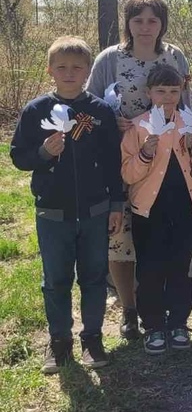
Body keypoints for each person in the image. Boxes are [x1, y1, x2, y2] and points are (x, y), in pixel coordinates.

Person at [87, 0, 192, 340]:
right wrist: (112, 123)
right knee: (122, 239)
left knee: (159, 238)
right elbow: (90, 105)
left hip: (167, 167)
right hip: (124, 158)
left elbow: (189, 104)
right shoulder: (110, 59)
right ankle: (130, 309)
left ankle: (165, 308)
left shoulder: (174, 56)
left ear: (163, 23)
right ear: (128, 23)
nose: (146, 27)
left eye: (153, 20)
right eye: (138, 20)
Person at [11, 37, 124, 373]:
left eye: (77, 67)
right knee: (56, 280)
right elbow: (18, 156)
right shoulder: (36, 111)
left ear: (88, 71)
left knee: (93, 277)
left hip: (95, 211)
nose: (69, 73)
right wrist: (45, 153)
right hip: (53, 211)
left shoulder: (100, 111)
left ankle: (92, 338)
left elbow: (112, 162)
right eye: (62, 67)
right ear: (50, 70)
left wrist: (116, 203)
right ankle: (59, 341)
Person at [121, 64, 192, 355]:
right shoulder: (138, 126)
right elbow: (127, 175)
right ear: (149, 93)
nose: (168, 97)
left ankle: (179, 322)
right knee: (150, 268)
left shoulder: (189, 123)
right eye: (161, 91)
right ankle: (154, 325)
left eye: (174, 91)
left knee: (179, 266)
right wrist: (146, 152)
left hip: (185, 209)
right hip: (149, 211)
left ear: (181, 92)